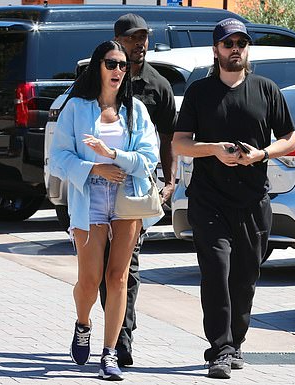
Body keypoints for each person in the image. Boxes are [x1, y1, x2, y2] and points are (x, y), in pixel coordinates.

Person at [172, 18, 295, 379]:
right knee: (216, 273)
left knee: (244, 278)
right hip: (209, 201)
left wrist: (261, 155)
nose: (235, 49)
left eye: (241, 43)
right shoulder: (200, 91)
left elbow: (289, 137)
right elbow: (179, 143)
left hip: (253, 201)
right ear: (217, 50)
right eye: (229, 44)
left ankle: (235, 342)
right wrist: (213, 149)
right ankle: (220, 350)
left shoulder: (266, 89)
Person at [48, 40, 161, 381]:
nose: (118, 71)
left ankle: (109, 354)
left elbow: (148, 159)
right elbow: (58, 159)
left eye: (123, 66)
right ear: (98, 66)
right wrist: (94, 169)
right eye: (111, 64)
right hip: (89, 197)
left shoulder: (135, 111)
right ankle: (83, 323)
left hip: (127, 197)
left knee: (118, 277)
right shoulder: (76, 108)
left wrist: (113, 157)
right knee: (90, 279)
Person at [98, 12, 177, 368]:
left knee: (127, 265)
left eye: (143, 37)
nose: (140, 44)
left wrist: (170, 181)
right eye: (133, 38)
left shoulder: (158, 85)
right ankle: (109, 329)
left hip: (138, 186)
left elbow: (169, 139)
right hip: (98, 187)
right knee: (101, 266)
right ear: (118, 40)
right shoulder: (99, 76)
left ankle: (123, 338)